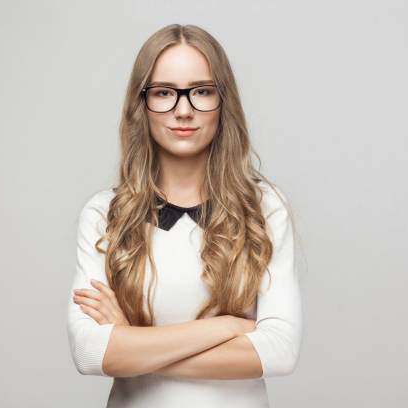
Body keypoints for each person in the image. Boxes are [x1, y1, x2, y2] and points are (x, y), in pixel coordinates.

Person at [67, 23, 303, 407]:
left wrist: (133, 343)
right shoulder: (105, 214)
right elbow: (91, 353)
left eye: (201, 92)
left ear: (224, 101)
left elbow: (278, 352)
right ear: (140, 103)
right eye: (164, 93)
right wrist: (226, 328)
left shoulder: (263, 207)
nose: (183, 110)